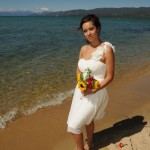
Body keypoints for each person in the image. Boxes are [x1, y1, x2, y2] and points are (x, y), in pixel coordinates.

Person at [67, 14, 115, 150]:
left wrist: (93, 89)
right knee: (88, 120)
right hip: (81, 90)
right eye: (85, 31)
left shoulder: (107, 50)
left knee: (73, 125)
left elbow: (110, 77)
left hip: (96, 91)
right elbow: (78, 70)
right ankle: (91, 143)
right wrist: (81, 84)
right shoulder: (83, 49)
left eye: (91, 29)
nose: (88, 33)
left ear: (98, 28)